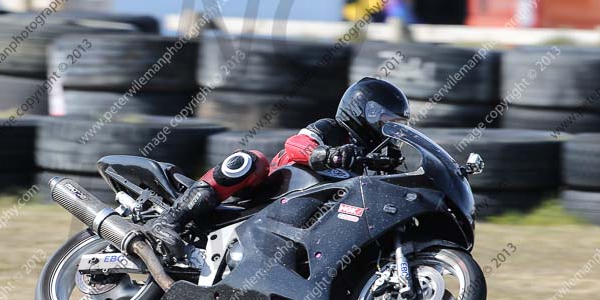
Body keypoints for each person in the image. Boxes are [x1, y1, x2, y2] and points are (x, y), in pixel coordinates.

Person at [147, 78, 411, 259]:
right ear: (367, 112)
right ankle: (170, 219)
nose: (390, 129)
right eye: (387, 120)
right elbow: (297, 144)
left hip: (307, 226)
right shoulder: (331, 129)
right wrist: (327, 154)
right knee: (251, 160)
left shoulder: (372, 160)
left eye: (397, 123)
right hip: (269, 193)